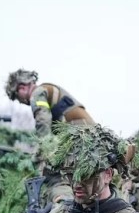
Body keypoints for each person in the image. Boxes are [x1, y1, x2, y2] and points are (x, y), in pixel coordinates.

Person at [6, 69, 96, 205]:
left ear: (22, 87)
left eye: (17, 96)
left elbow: (43, 121)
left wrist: (43, 150)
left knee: (55, 176)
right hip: (87, 135)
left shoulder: (37, 94)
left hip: (78, 136)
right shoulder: (46, 91)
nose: (20, 102)